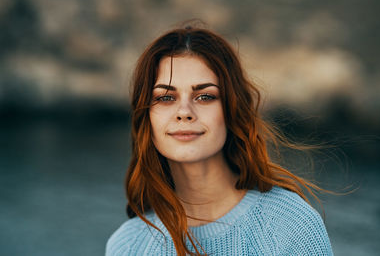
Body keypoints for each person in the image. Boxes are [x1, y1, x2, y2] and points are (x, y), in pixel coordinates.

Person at [106, 24, 333, 256]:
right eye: (166, 97)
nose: (184, 111)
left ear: (231, 110)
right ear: (146, 117)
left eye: (205, 96)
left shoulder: (289, 224)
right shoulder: (127, 245)